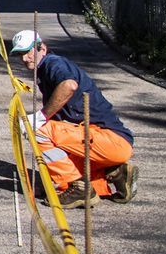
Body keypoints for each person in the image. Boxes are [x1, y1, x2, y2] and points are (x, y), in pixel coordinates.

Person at [10, 30, 138, 208]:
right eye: (20, 54)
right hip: (110, 143)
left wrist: (41, 116)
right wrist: (46, 184)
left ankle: (78, 187)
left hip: (111, 140)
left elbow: (69, 85)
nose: (24, 59)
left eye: (28, 52)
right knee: (60, 147)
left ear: (43, 48)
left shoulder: (52, 64)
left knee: (38, 130)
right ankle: (115, 172)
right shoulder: (47, 70)